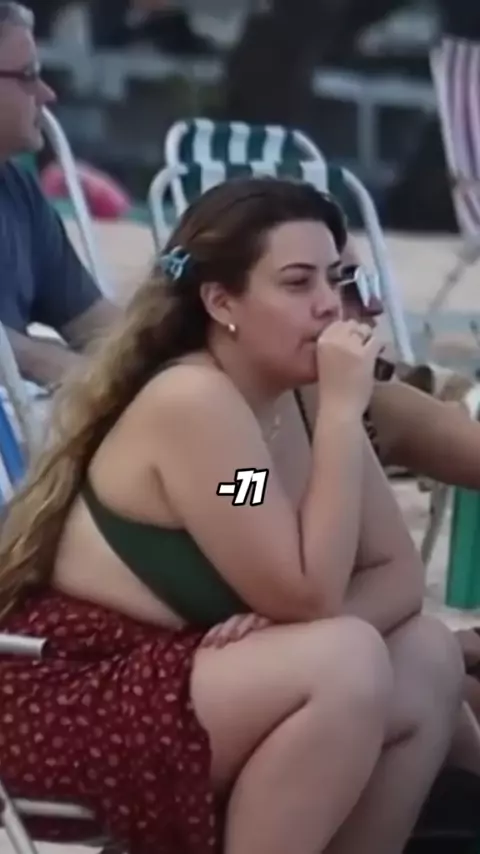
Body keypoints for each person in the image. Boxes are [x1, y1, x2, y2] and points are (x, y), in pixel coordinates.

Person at [0, 177, 463, 854]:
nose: (328, 304)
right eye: (298, 283)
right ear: (221, 303)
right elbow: (305, 592)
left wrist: (285, 633)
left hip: (192, 680)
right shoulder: (198, 406)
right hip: (77, 697)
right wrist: (343, 417)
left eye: (336, 280)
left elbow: (395, 572)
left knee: (426, 656)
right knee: (344, 663)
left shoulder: (297, 400)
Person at [0, 2, 118, 389]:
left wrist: (177, 362)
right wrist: (41, 360)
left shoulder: (17, 191)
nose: (47, 93)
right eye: (29, 75)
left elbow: (96, 325)